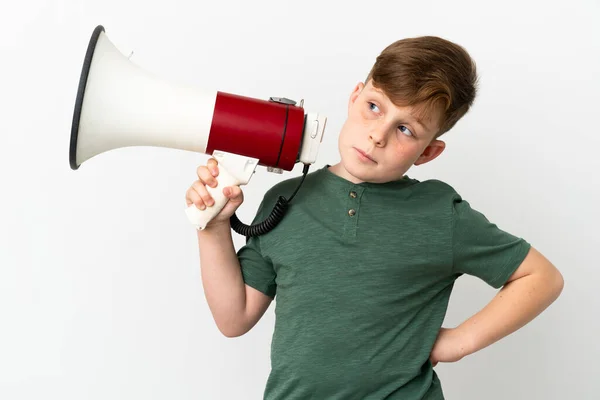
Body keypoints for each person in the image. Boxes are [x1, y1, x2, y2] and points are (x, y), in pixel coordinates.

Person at [185, 36, 564, 399]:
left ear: (428, 152)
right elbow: (234, 319)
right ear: (355, 96)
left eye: (404, 129)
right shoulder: (284, 199)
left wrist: (458, 343)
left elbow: (542, 277)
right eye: (374, 107)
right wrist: (214, 227)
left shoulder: (439, 213)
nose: (377, 136)